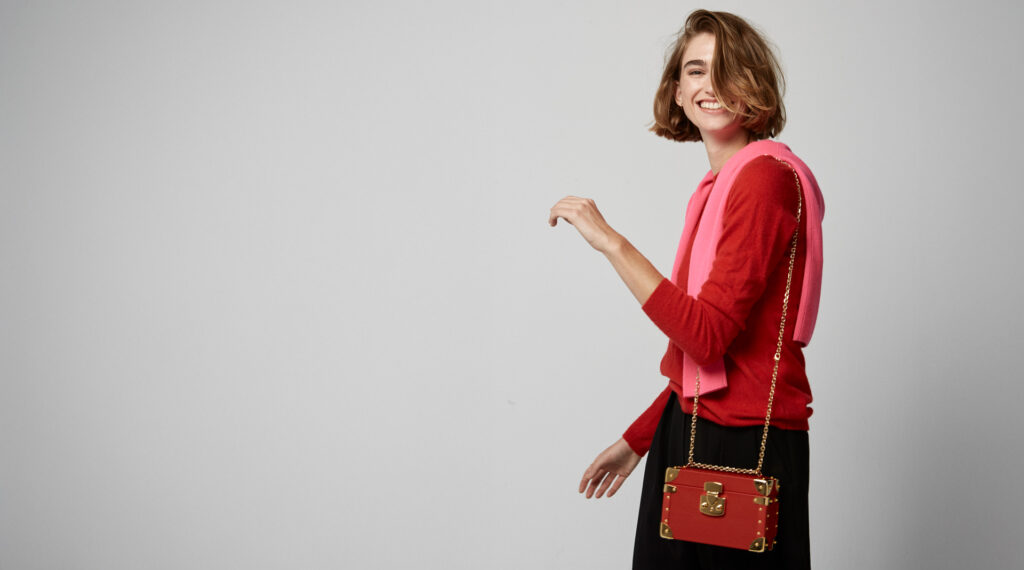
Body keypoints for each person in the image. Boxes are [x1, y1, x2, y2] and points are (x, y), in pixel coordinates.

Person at [547, 9, 824, 570]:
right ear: (677, 91)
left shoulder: (764, 180)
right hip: (697, 430)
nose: (710, 83)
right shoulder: (723, 185)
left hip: (742, 444)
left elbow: (706, 336)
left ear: (755, 85)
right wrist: (642, 437)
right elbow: (710, 365)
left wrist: (611, 243)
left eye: (728, 69)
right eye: (696, 70)